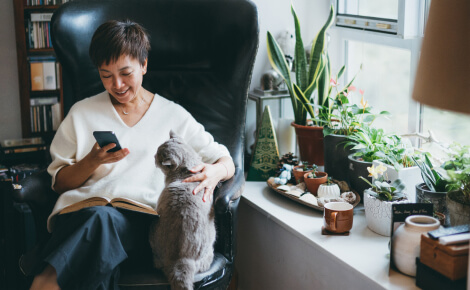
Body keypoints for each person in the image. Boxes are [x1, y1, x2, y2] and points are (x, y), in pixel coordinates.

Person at [30, 19, 235, 290]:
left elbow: (225, 159)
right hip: (83, 217)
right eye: (106, 75)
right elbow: (60, 183)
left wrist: (214, 173)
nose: (117, 84)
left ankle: (45, 282)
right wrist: (93, 161)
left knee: (102, 225)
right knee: (100, 223)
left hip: (145, 227)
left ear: (144, 65)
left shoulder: (173, 116)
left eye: (126, 73)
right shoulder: (81, 113)